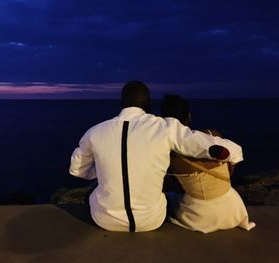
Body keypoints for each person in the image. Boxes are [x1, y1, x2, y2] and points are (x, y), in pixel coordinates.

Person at [69, 81, 243, 232]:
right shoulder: (164, 127)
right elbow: (202, 145)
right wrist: (233, 153)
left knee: (92, 193)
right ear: (148, 103)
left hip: (105, 221)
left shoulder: (94, 132)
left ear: (122, 103)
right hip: (151, 221)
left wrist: (105, 169)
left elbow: (77, 170)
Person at [161, 95, 255, 233]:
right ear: (189, 116)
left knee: (169, 198)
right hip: (233, 207)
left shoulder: (170, 154)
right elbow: (230, 170)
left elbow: (168, 185)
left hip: (200, 215)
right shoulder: (213, 134)